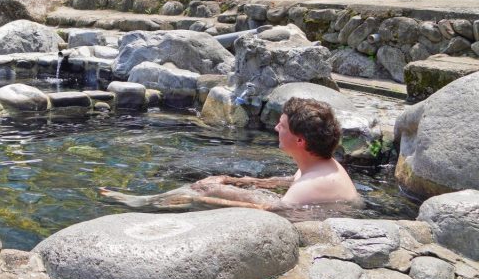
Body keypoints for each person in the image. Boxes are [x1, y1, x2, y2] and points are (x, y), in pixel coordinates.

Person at [100, 97, 361, 211]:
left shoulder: (309, 188)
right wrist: (231, 180)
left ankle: (143, 203)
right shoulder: (318, 165)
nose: (275, 128)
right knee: (212, 183)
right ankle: (150, 200)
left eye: (281, 126)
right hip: (299, 204)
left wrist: (206, 201)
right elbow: (285, 183)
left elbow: (267, 210)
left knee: (202, 193)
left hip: (303, 218)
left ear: (300, 140)